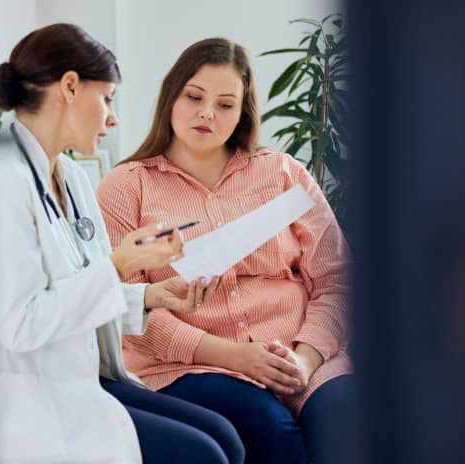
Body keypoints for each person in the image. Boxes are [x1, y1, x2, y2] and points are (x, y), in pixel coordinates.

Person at [0, 24, 244, 463]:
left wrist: (152, 296)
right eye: (107, 99)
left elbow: (86, 287)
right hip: (34, 400)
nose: (113, 118)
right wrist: (119, 265)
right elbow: (20, 324)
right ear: (70, 87)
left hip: (81, 381)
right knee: (205, 455)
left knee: (226, 438)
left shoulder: (73, 178)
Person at [96, 37, 355, 464]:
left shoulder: (283, 173)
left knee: (347, 417)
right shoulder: (127, 186)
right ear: (171, 96)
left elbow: (337, 281)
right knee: (271, 428)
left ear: (242, 112)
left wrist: (305, 361)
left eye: (225, 104)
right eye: (194, 97)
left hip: (300, 355)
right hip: (194, 365)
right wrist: (237, 357)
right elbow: (126, 307)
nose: (206, 113)